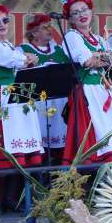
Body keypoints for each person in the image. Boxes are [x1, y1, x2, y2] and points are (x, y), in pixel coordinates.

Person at [59, 0, 112, 164]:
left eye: (84, 10)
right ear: (70, 19)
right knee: (99, 134)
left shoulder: (99, 39)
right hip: (88, 91)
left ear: (91, 12)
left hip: (105, 90)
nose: (81, 14)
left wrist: (100, 56)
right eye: (75, 13)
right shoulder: (72, 36)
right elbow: (87, 61)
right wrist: (104, 56)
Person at [0, 4, 43, 169]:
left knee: (20, 134)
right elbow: (12, 59)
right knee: (5, 139)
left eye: (5, 20)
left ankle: (19, 179)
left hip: (14, 93)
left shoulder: (8, 45)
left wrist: (27, 59)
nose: (2, 24)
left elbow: (19, 61)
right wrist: (27, 58)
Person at [20, 13, 69, 153]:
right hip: (38, 103)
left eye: (50, 26)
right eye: (45, 27)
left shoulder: (59, 50)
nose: (49, 29)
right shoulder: (23, 50)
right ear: (34, 32)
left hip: (60, 101)